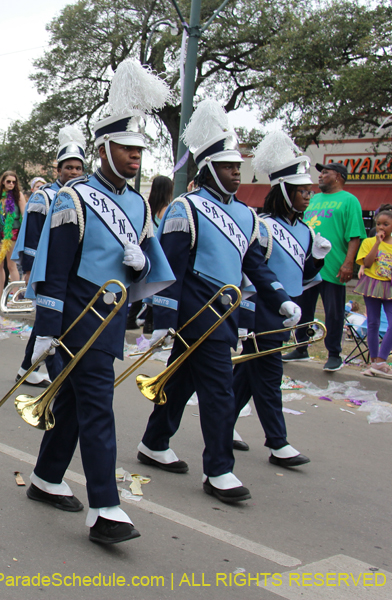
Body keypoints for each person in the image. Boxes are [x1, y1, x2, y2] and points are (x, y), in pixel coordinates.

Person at [27, 59, 174, 544]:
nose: (136, 157)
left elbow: (151, 266)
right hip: (76, 317)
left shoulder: (136, 204)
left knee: (71, 402)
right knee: (96, 405)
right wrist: (46, 329)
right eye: (127, 149)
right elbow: (54, 267)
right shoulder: (74, 199)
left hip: (112, 317)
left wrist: (140, 265)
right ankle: (106, 507)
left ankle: (47, 478)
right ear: (104, 149)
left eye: (139, 150)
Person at [138, 99, 300, 504]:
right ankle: (219, 470)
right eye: (230, 167)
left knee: (181, 383)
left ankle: (154, 442)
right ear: (209, 168)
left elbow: (253, 266)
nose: (237, 173)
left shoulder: (247, 216)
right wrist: (163, 319)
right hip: (196, 313)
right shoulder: (185, 207)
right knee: (219, 391)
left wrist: (278, 297)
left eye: (239, 168)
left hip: (224, 314)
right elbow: (169, 268)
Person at [232, 130, 328, 467]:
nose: (307, 196)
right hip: (262, 309)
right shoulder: (263, 226)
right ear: (285, 192)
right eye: (302, 191)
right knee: (270, 376)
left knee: (248, 373)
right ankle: (278, 443)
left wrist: (317, 258)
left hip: (286, 310)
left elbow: (303, 277)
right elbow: (253, 273)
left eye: (309, 191)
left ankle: (223, 423)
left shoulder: (306, 230)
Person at [11, 125, 88, 387]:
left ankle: (27, 367)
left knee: (48, 323)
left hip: (74, 274)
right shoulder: (43, 196)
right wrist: (30, 271)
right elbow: (31, 236)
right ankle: (56, 381)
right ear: (58, 170)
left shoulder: (86, 197)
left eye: (78, 168)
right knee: (51, 321)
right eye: (69, 168)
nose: (74, 172)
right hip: (46, 272)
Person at [282, 162, 365, 371]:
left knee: (334, 312)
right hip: (308, 265)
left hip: (333, 266)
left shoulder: (349, 200)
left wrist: (349, 264)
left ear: (338, 176)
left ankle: (334, 353)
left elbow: (355, 235)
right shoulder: (314, 199)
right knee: (303, 308)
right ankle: (301, 347)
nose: (320, 176)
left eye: (325, 173)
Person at [129, 175, 175, 331]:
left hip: (147, 252)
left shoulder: (147, 207)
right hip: (161, 253)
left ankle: (132, 318)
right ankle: (150, 322)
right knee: (157, 288)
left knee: (141, 286)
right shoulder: (168, 209)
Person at [355, 207, 392, 377]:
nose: (381, 227)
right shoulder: (369, 242)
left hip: (390, 286)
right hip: (372, 283)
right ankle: (374, 362)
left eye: (386, 224)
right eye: (378, 224)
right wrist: (377, 243)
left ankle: (381, 360)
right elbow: (369, 262)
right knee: (373, 323)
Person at [0, 171, 22, 302]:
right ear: (3, 182)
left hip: (11, 233)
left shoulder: (17, 196)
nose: (11, 184)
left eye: (14, 182)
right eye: (8, 181)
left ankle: (16, 297)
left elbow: (24, 214)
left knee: (11, 266)